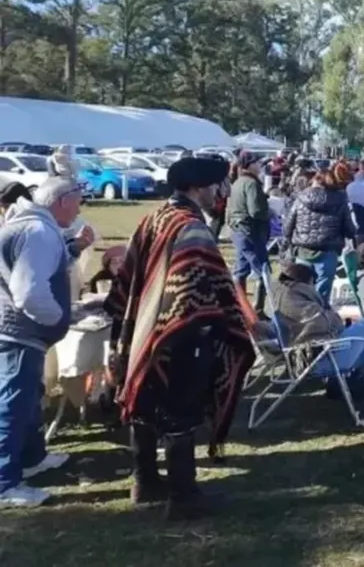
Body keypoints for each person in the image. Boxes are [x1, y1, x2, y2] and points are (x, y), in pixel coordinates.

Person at [104, 157, 256, 519]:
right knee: (181, 414)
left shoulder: (153, 217)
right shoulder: (192, 228)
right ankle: (184, 497)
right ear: (198, 187)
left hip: (145, 331)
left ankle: (145, 481)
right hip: (183, 334)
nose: (222, 192)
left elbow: (127, 277)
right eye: (218, 185)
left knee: (144, 402)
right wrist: (223, 324)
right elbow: (198, 292)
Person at [0, 178, 81, 507]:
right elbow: (29, 293)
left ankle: (32, 458)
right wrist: (54, 319)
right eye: (78, 202)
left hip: (17, 330)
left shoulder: (30, 226)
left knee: (30, 397)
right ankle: (4, 483)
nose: (80, 210)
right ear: (62, 201)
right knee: (13, 404)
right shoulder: (39, 233)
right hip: (20, 332)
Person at [270, 261, 364, 417]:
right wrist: (336, 318)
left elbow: (318, 324)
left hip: (318, 354)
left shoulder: (287, 297)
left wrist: (335, 319)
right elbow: (320, 323)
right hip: (318, 359)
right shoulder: (294, 300)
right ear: (306, 282)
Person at [283, 168, 355, 305]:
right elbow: (349, 227)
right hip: (328, 248)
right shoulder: (340, 200)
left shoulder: (301, 197)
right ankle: (321, 314)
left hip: (303, 248)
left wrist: (288, 241)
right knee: (323, 288)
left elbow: (288, 224)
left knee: (299, 285)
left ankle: (299, 312)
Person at [225, 151, 271, 313]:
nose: (260, 166)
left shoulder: (237, 182)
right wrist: (269, 210)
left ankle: (239, 309)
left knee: (241, 271)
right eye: (258, 163)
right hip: (251, 231)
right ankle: (257, 311)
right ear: (249, 165)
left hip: (238, 231)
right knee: (262, 271)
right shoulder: (251, 183)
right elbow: (256, 211)